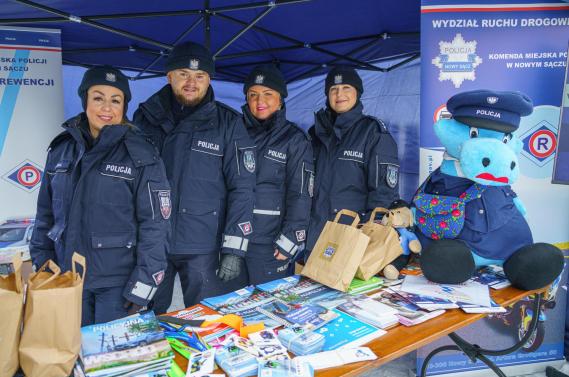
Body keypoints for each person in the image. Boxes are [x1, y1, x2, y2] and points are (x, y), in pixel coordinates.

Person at [30, 66, 170, 326]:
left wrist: (144, 284)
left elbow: (156, 225)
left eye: (115, 100)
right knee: (71, 357)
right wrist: (43, 265)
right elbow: (45, 215)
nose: (106, 107)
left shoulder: (142, 155)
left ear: (124, 107)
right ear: (85, 101)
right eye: (98, 97)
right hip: (66, 278)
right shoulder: (61, 150)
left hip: (117, 286)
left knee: (113, 362)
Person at [133, 41, 255, 312]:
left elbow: (243, 188)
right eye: (184, 74)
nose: (192, 82)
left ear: (209, 79)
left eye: (200, 76)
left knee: (208, 321)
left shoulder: (228, 123)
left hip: (203, 247)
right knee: (146, 324)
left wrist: (234, 249)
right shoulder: (144, 117)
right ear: (169, 76)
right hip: (152, 244)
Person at [305, 66, 400, 257]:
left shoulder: (373, 132)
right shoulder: (315, 133)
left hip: (352, 237)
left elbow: (383, 195)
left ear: (358, 92)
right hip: (314, 235)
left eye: (346, 88)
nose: (339, 94)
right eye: (333, 89)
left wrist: (369, 237)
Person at [239, 64, 313, 284]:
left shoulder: (294, 138)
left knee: (269, 310)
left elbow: (301, 192)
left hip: (270, 244)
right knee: (229, 309)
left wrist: (290, 239)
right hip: (232, 241)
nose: (260, 101)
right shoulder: (234, 132)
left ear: (280, 99)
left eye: (268, 94)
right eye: (253, 95)